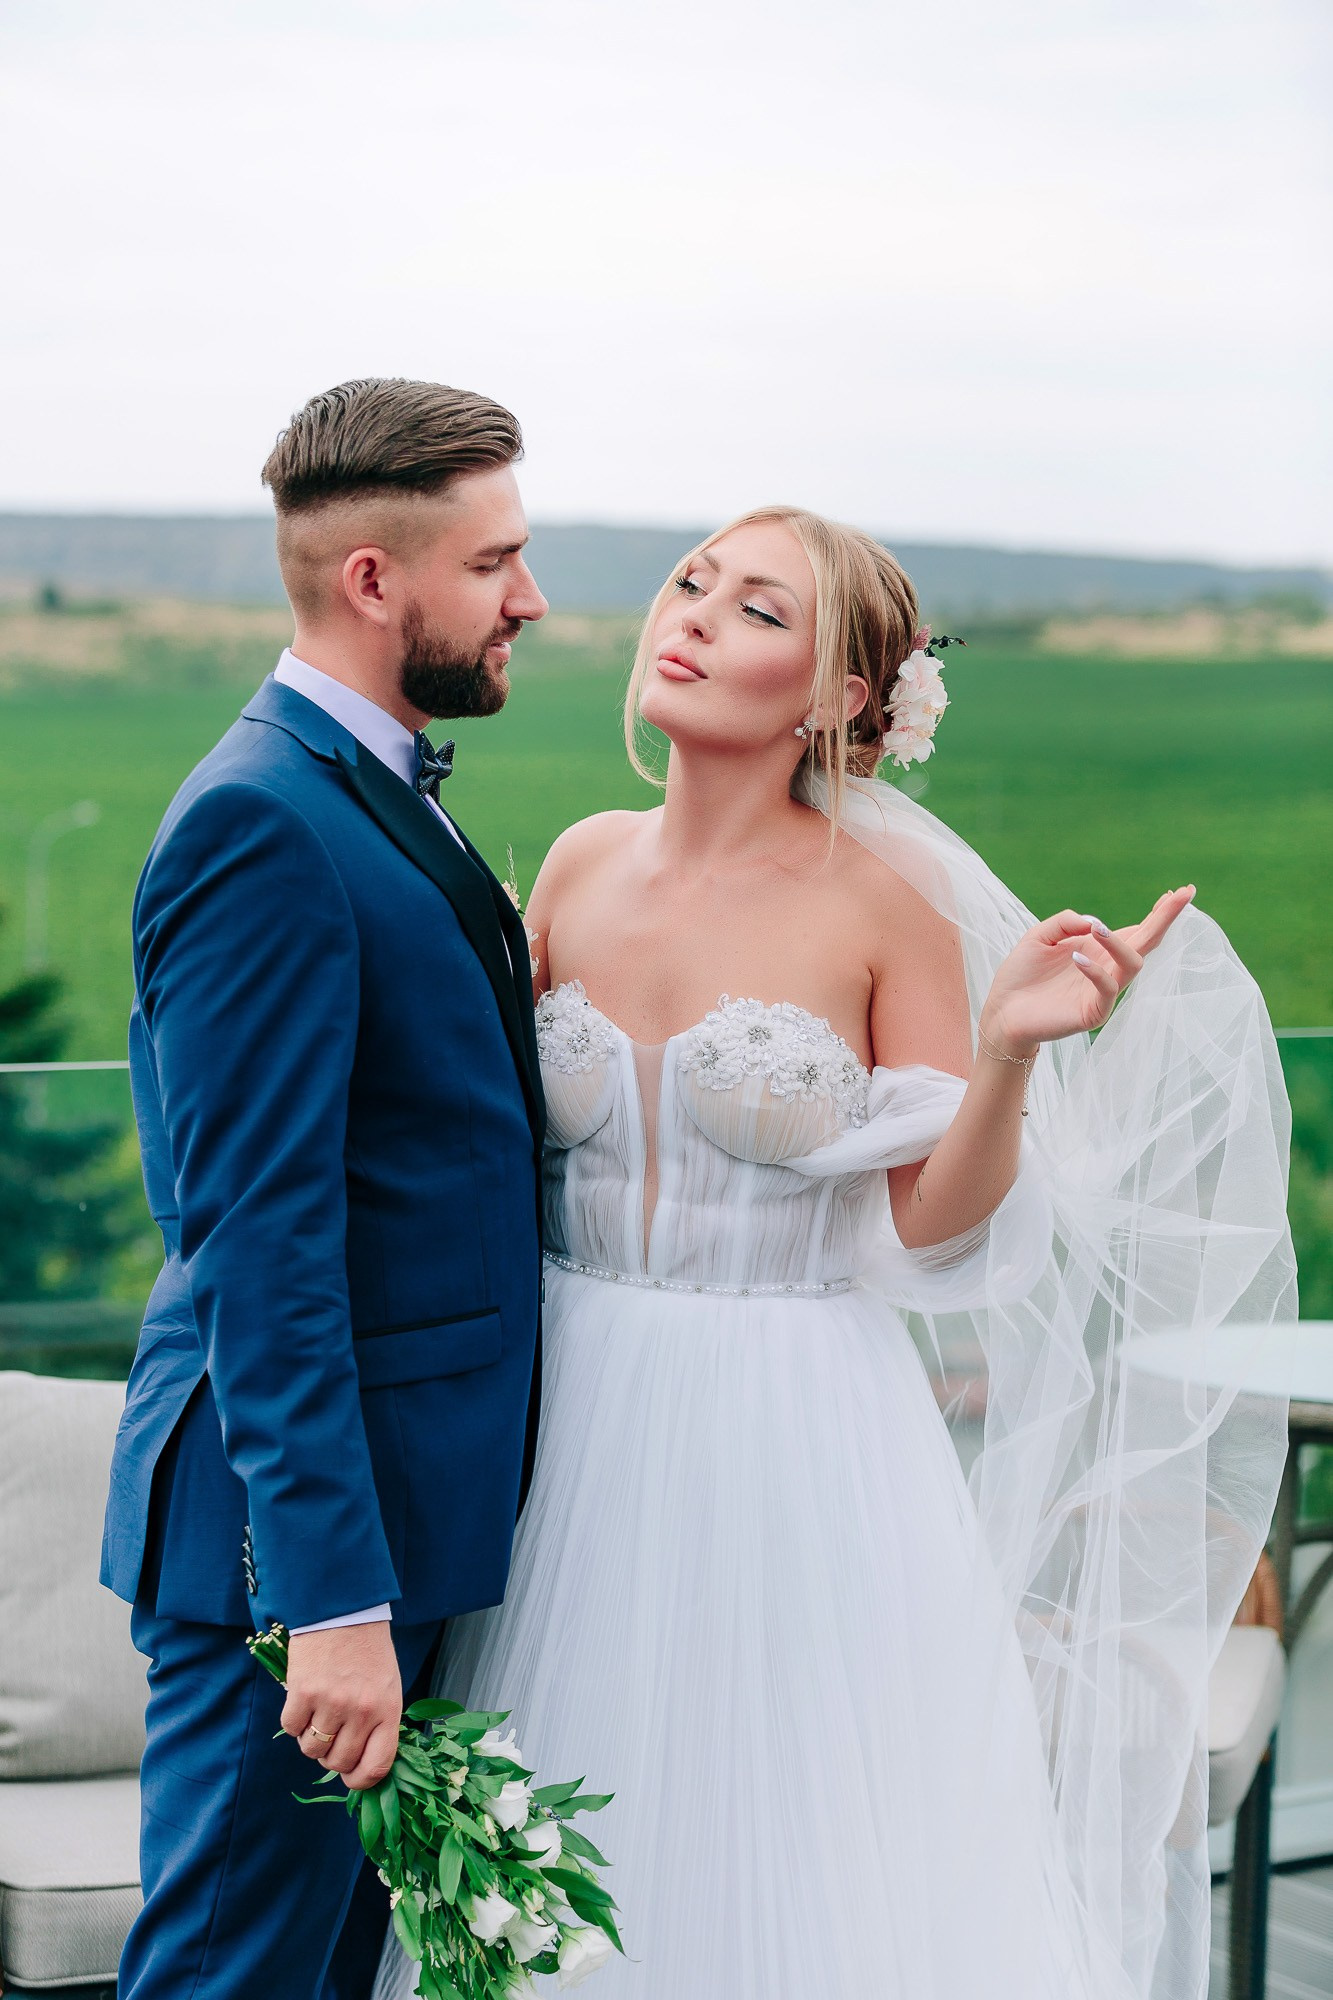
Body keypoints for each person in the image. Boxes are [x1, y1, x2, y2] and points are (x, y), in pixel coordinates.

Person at [375, 508, 1295, 1999]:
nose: (691, 617)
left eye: (756, 610)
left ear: (840, 697)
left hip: (792, 1420)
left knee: (788, 1833)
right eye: (691, 583)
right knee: (565, 1823)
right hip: (565, 1412)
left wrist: (1004, 1055)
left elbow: (934, 1222)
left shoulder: (879, 908)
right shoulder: (577, 869)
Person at [101, 377, 550, 2000]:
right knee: (229, 1980)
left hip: (393, 1525)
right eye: (492, 563)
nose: (528, 598)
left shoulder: (362, 784)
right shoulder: (262, 822)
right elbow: (260, 1244)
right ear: (375, 579)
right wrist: (329, 1600)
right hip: (292, 1556)